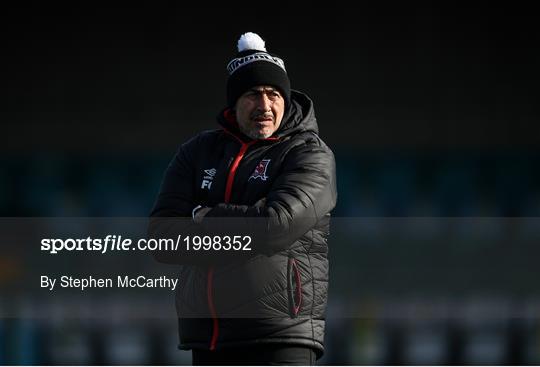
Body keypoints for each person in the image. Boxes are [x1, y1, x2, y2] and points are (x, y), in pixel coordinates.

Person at [149, 32, 337, 365]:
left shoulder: (309, 154)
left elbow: (276, 225)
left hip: (280, 333)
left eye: (274, 94)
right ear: (234, 104)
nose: (265, 106)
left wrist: (204, 217)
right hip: (209, 339)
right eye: (253, 95)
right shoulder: (197, 151)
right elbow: (162, 238)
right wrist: (246, 220)